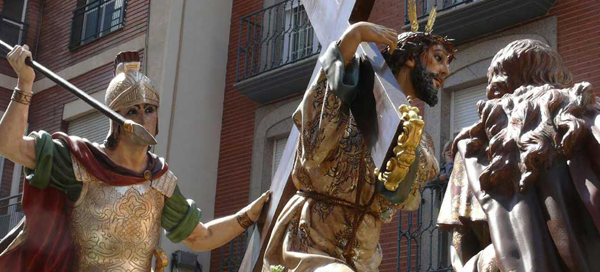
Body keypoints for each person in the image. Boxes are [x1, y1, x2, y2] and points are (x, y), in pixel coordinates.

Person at [0, 46, 271, 272]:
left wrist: (249, 215)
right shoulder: (80, 162)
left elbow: (202, 237)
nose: (144, 119)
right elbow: (9, 146)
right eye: (132, 111)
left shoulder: (160, 180)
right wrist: (24, 83)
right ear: (115, 121)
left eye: (150, 110)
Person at [263, 20, 455, 272]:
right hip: (312, 239)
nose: (445, 71)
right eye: (438, 58)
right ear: (410, 58)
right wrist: (352, 39)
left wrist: (405, 154)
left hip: (364, 252)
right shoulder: (351, 103)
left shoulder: (419, 136)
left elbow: (397, 199)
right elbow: (314, 143)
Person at [437, 39, 600, 271]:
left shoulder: (475, 144)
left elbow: (461, 244)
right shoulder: (591, 118)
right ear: (558, 78)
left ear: (498, 88)